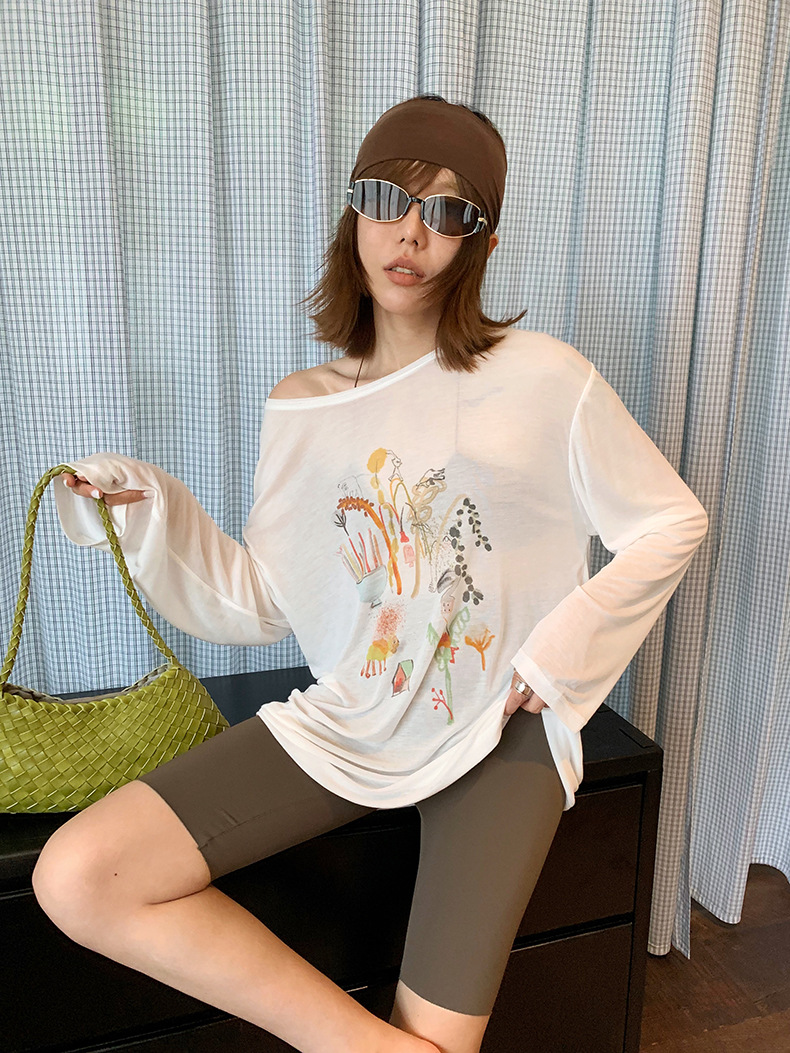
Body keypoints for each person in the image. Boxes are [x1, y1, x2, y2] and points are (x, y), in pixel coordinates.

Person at [31, 95, 708, 1053]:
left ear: (481, 242)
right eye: (389, 197)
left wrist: (557, 657)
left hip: (498, 729)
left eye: (448, 212)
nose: (410, 233)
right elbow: (264, 598)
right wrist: (150, 508)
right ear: (353, 210)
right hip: (353, 719)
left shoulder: (546, 377)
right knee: (77, 873)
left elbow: (672, 520)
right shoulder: (302, 406)